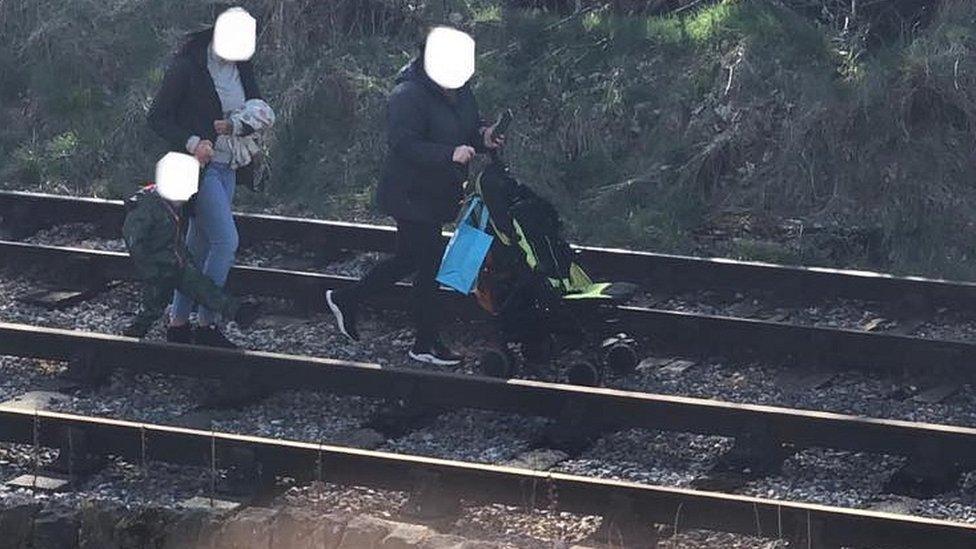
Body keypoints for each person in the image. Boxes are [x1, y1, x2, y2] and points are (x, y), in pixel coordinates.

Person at [326, 26, 504, 366]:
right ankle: (425, 343)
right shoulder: (408, 94)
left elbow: (468, 126)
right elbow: (403, 144)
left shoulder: (461, 90)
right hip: (409, 192)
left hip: (438, 192)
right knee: (428, 263)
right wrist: (449, 153)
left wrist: (485, 136)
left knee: (409, 259)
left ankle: (347, 298)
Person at [146, 6, 263, 347]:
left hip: (230, 167)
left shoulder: (242, 68)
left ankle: (179, 322)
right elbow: (157, 117)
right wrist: (193, 142)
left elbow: (257, 105)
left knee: (197, 247)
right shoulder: (187, 67)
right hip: (196, 169)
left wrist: (249, 121)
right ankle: (208, 323)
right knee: (226, 242)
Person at [121, 169, 259, 342]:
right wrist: (149, 268)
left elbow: (174, 238)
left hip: (177, 263)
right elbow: (134, 240)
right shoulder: (146, 207)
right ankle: (130, 338)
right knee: (153, 307)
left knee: (203, 288)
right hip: (158, 269)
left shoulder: (169, 205)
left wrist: (184, 257)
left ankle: (238, 312)